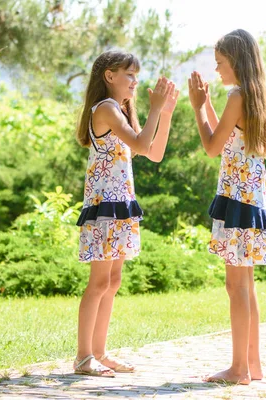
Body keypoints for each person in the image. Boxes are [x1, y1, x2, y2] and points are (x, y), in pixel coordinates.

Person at [73, 50, 178, 377]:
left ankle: (100, 352)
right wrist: (155, 109)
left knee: (113, 280)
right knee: (99, 281)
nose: (135, 81)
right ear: (109, 76)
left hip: (121, 205)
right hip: (105, 205)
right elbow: (142, 143)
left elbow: (154, 152)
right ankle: (82, 357)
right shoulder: (105, 109)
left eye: (136, 75)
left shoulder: (120, 111)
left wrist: (167, 113)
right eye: (129, 75)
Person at [188, 29, 266, 385]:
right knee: (246, 286)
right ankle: (252, 365)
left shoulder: (238, 96)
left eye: (221, 63)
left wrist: (198, 108)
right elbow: (228, 135)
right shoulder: (252, 96)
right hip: (252, 199)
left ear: (236, 61)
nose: (217, 70)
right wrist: (209, 104)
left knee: (236, 287)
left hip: (238, 201)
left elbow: (212, 146)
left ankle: (239, 369)